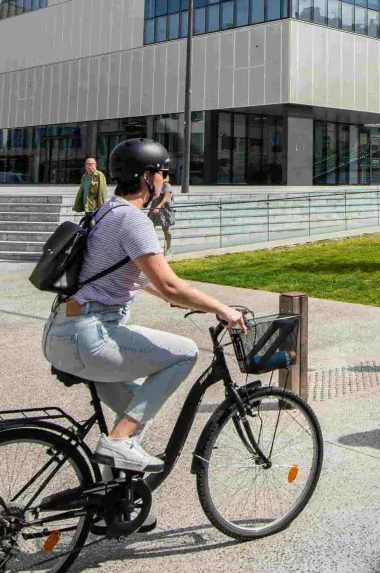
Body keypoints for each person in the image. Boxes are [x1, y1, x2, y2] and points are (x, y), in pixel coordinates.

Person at [43, 139, 245, 473]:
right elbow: (170, 284)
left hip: (61, 332)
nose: (166, 180)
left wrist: (168, 295)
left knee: (139, 412)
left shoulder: (105, 212)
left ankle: (112, 495)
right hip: (90, 337)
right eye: (163, 173)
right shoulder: (134, 220)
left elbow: (129, 274)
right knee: (185, 352)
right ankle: (118, 442)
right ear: (147, 177)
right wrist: (222, 309)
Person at [148, 176, 175, 253]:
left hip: (164, 211)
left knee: (165, 229)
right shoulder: (157, 187)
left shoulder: (167, 186)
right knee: (150, 227)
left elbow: (166, 198)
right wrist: (150, 211)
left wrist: (158, 206)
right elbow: (154, 200)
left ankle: (168, 247)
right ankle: (151, 247)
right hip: (155, 210)